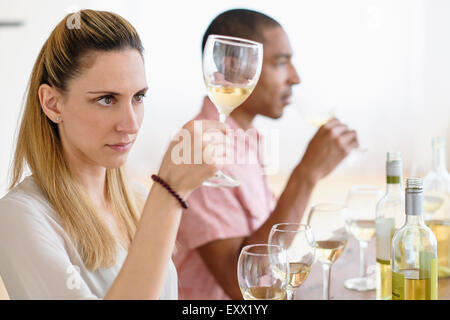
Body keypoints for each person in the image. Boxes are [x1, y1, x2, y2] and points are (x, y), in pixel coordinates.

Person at [0, 9, 228, 300]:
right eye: (107, 99)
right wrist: (169, 194)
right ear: (53, 104)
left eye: (138, 97)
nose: (131, 124)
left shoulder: (138, 201)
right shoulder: (20, 216)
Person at [173, 9, 359, 300]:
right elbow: (240, 286)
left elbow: (271, 247)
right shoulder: (199, 150)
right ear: (234, 68)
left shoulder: (246, 138)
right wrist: (307, 174)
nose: (295, 78)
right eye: (281, 63)